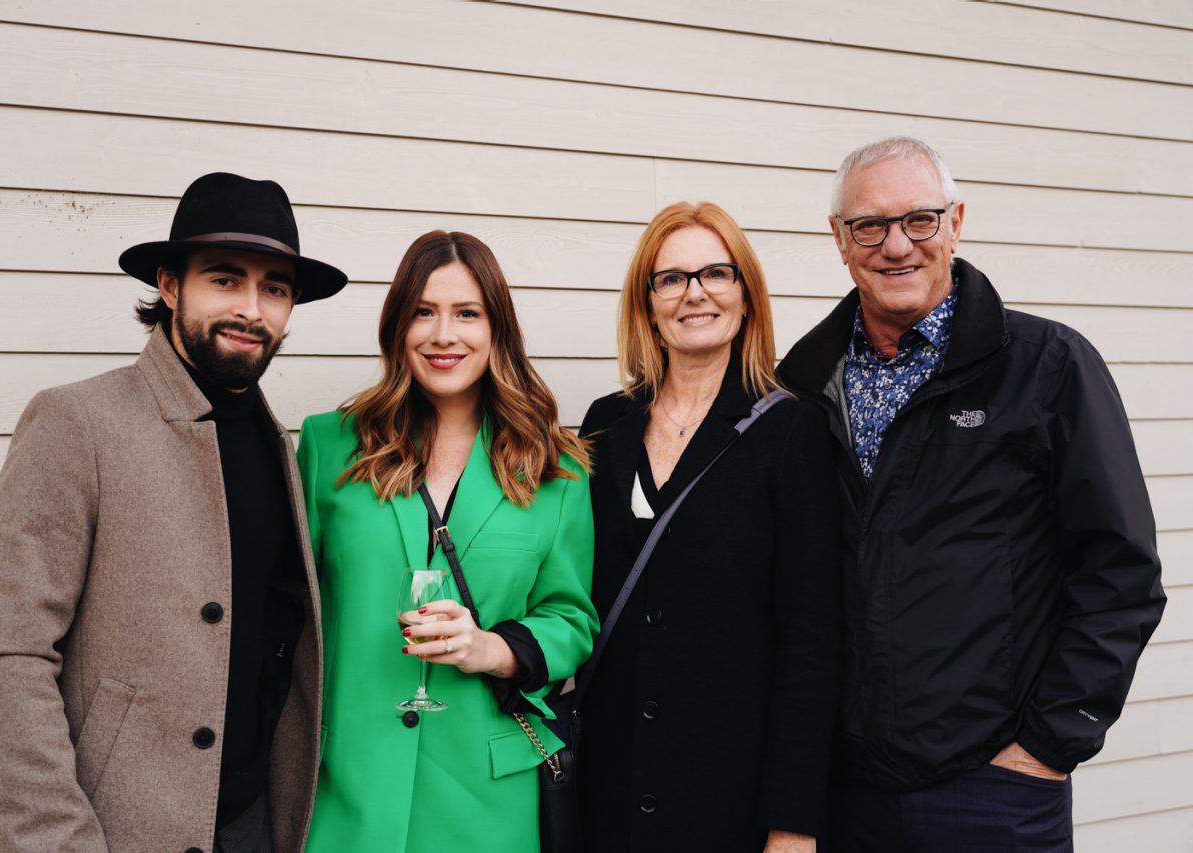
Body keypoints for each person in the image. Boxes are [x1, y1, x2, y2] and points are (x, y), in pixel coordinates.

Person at [776, 137, 1166, 852]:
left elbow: (1122, 574)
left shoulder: (1047, 368)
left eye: (919, 220)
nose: (897, 245)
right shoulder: (802, 384)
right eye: (870, 225)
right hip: (847, 795)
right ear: (840, 239)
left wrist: (1047, 745)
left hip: (992, 793)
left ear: (956, 221)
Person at [0, 172, 348, 853]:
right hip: (116, 831)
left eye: (275, 289)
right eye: (225, 280)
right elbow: (9, 658)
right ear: (170, 286)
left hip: (253, 825)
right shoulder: (76, 422)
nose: (252, 309)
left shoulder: (275, 441)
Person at [297, 230, 597, 852]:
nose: (443, 335)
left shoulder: (556, 469)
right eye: (423, 313)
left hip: (487, 801)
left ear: (497, 330)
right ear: (397, 325)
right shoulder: (328, 446)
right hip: (346, 789)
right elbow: (293, 611)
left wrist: (491, 648)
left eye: (467, 313)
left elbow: (571, 619)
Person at [577, 201, 842, 853]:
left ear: (745, 295)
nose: (694, 292)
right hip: (608, 784)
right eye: (671, 278)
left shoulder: (790, 430)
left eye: (715, 273)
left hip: (728, 796)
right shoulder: (605, 425)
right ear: (648, 302)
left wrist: (793, 822)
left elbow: (812, 641)